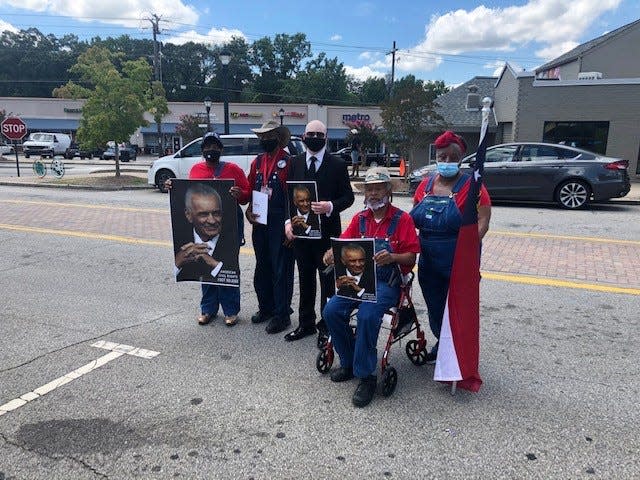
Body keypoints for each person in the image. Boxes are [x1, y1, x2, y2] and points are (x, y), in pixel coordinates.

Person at [322, 167, 420, 408]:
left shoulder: (402, 219)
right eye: (369, 189)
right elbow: (343, 242)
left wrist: (393, 258)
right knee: (331, 311)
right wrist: (330, 254)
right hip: (359, 280)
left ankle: (367, 376)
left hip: (388, 283)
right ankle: (349, 361)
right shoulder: (360, 219)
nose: (373, 193)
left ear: (388, 191)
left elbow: (411, 258)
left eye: (378, 188)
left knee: (367, 315)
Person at [410, 130, 492, 363]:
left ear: (461, 158)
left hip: (458, 257)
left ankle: (457, 351)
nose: (446, 162)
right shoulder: (425, 187)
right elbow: (411, 221)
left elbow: (483, 222)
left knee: (458, 308)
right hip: (428, 259)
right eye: (442, 157)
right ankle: (441, 340)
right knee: (435, 304)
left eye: (451, 157)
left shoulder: (473, 186)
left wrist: (467, 253)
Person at [166, 131, 250, 327]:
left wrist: (240, 193)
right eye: (207, 146)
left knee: (229, 266)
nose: (211, 150)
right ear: (202, 149)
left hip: (229, 227)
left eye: (215, 146)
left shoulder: (233, 170)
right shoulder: (196, 170)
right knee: (203, 266)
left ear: (221, 149)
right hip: (204, 230)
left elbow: (246, 195)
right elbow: (185, 193)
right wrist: (173, 186)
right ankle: (208, 309)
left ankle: (231, 310)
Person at [284, 120, 355, 342]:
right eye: (310, 134)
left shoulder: (337, 164)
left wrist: (330, 206)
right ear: (304, 136)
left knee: (327, 283)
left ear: (325, 137)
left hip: (326, 234)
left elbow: (348, 197)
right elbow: (289, 196)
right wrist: (288, 222)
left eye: (318, 134)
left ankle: (326, 325)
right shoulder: (294, 162)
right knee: (305, 279)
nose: (314, 137)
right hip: (302, 235)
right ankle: (306, 323)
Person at [246, 120, 295, 334]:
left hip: (280, 221)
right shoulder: (257, 163)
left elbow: (295, 198)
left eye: (269, 136)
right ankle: (265, 307)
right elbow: (250, 190)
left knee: (281, 269)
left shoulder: (289, 162)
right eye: (262, 137)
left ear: (278, 138)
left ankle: (281, 314)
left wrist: (291, 225)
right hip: (261, 222)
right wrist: (248, 209)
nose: (265, 140)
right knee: (262, 267)